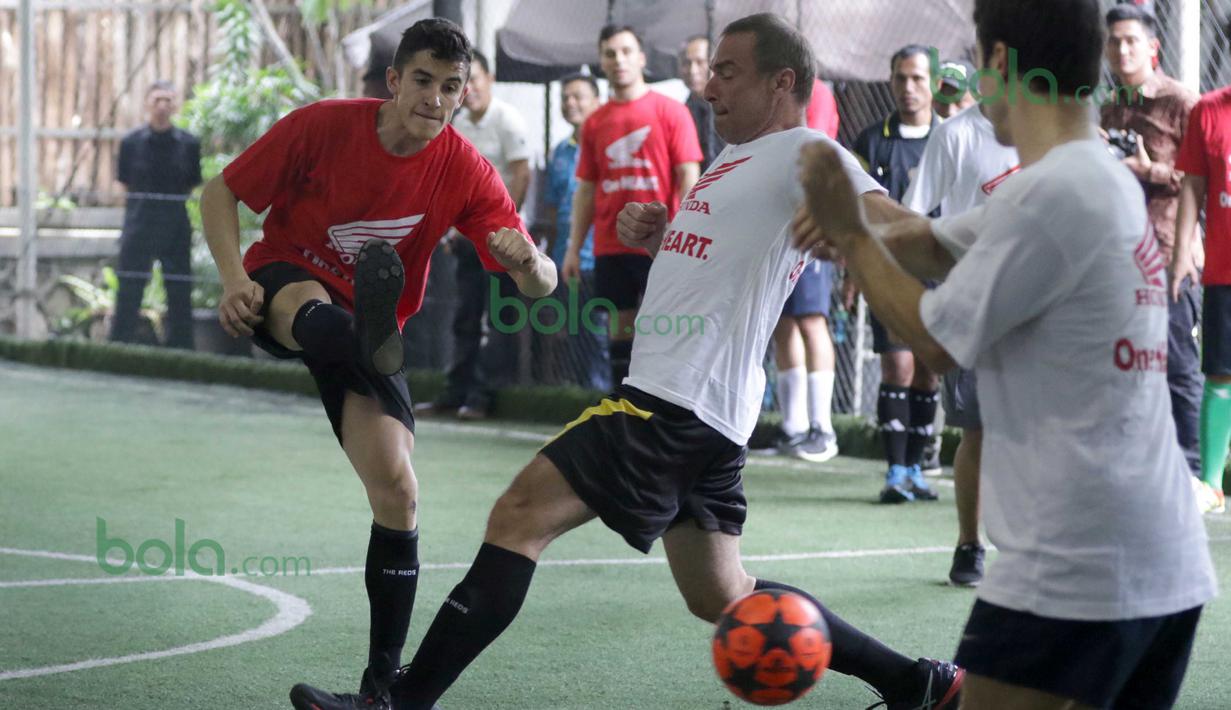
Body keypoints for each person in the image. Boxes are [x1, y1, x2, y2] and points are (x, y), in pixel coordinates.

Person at [290, 13, 962, 710]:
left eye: (726, 71)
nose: (708, 87)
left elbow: (901, 229)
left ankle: (398, 702)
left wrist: (864, 232)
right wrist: (666, 236)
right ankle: (919, 683)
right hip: (706, 415)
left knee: (519, 515)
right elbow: (730, 263)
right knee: (722, 596)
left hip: (670, 404)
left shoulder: (807, 153)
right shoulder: (738, 157)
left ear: (781, 81)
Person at [796, 0, 1216, 706]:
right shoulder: (1094, 177)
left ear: (997, 64)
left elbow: (933, 339)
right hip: (1159, 561)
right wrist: (848, 211)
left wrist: (854, 238)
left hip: (1077, 562)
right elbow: (932, 240)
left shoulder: (1049, 194)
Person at [198, 19, 556, 709]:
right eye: (422, 81)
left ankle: (378, 692)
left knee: (398, 492)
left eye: (450, 87)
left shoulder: (465, 169)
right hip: (284, 281)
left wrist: (529, 262)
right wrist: (229, 279)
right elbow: (222, 193)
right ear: (393, 81)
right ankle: (340, 328)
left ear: (462, 95)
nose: (435, 98)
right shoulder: (322, 126)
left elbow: (538, 286)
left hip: (372, 328)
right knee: (305, 299)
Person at [902, 103, 1019, 586]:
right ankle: (970, 544)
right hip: (969, 299)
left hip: (1033, 299)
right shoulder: (954, 135)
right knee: (977, 429)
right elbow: (911, 213)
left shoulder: (1049, 132)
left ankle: (1028, 547)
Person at [562, 25, 702, 387]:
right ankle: (622, 410)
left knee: (666, 326)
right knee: (620, 329)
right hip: (611, 244)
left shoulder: (671, 112)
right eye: (610, 53)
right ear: (602, 62)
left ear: (641, 58)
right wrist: (573, 248)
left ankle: (664, 410)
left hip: (661, 245)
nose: (618, 60)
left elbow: (689, 175)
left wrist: (682, 235)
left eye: (626, 51)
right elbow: (587, 189)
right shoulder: (594, 123)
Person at [1101, 2, 1203, 486]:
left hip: (1167, 252)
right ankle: (1142, 468)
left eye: (1131, 41)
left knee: (1177, 365)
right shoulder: (1110, 107)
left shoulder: (1181, 103)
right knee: (1127, 366)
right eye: (1114, 41)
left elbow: (1206, 177)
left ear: (1152, 48)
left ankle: (1194, 472)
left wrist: (1150, 172)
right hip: (1117, 255)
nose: (1122, 49)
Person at [852, 44, 942, 502]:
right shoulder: (870, 141)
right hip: (889, 272)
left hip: (942, 271)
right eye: (901, 78)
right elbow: (856, 211)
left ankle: (918, 468)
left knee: (929, 371)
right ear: (890, 81)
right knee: (899, 366)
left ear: (935, 83)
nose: (909, 88)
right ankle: (894, 471)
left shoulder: (950, 138)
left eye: (918, 79)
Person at [424, 49, 534, 421]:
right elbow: (453, 185)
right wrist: (453, 230)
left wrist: (504, 229)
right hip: (467, 240)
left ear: (490, 80)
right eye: (462, 82)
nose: (469, 88)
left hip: (503, 242)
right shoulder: (457, 125)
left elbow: (522, 174)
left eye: (476, 79)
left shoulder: (508, 119)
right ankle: (455, 394)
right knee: (464, 317)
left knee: (498, 319)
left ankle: (482, 397)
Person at [767, 84, 843, 463]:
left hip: (809, 217)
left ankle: (822, 428)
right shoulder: (765, 87)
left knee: (812, 319)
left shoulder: (817, 91)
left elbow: (816, 150)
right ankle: (793, 427)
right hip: (774, 223)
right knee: (783, 322)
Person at [110, 81, 201, 349]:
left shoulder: (189, 143)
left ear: (175, 105)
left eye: (168, 100)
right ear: (147, 104)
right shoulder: (131, 142)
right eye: (157, 100)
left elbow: (192, 182)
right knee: (129, 286)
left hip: (175, 225)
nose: (162, 106)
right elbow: (124, 181)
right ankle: (119, 346)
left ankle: (182, 349)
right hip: (139, 223)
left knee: (180, 289)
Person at [1176, 83, 1231, 514]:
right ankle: (1212, 485)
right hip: (1223, 270)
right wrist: (1181, 255)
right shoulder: (1207, 112)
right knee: (1220, 375)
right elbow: (1192, 187)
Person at [543, 73, 610, 391]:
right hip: (566, 261)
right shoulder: (560, 151)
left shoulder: (610, 144)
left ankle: (603, 396)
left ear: (596, 101)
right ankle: (580, 397)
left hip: (602, 257)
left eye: (578, 97)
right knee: (575, 332)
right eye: (565, 98)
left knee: (601, 333)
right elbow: (554, 208)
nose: (571, 103)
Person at [680, 34, 724, 171]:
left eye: (700, 62)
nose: (692, 71)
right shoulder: (681, 112)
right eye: (687, 63)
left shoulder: (734, 108)